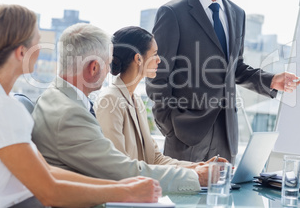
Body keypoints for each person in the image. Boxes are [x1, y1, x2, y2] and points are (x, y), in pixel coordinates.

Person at [0, 5, 161, 208]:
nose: (38, 54)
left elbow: (46, 171)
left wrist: (122, 187)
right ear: (21, 52)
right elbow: (50, 192)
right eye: (36, 45)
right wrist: (123, 191)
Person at [146, 0, 300, 164]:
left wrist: (271, 80)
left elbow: (234, 68)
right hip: (186, 134)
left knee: (222, 197)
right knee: (182, 197)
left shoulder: (237, 14)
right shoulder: (172, 13)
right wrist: (169, 127)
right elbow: (156, 74)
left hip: (226, 133)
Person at [31, 23, 211, 193]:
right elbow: (120, 171)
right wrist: (194, 177)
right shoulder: (71, 113)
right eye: (108, 62)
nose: (111, 69)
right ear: (94, 67)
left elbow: (150, 158)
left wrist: (196, 168)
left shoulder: (61, 99)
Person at [95, 26, 227, 166]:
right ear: (138, 59)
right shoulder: (110, 101)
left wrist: (200, 167)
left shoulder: (137, 101)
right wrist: (195, 174)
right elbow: (120, 166)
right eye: (155, 54)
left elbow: (155, 159)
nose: (159, 60)